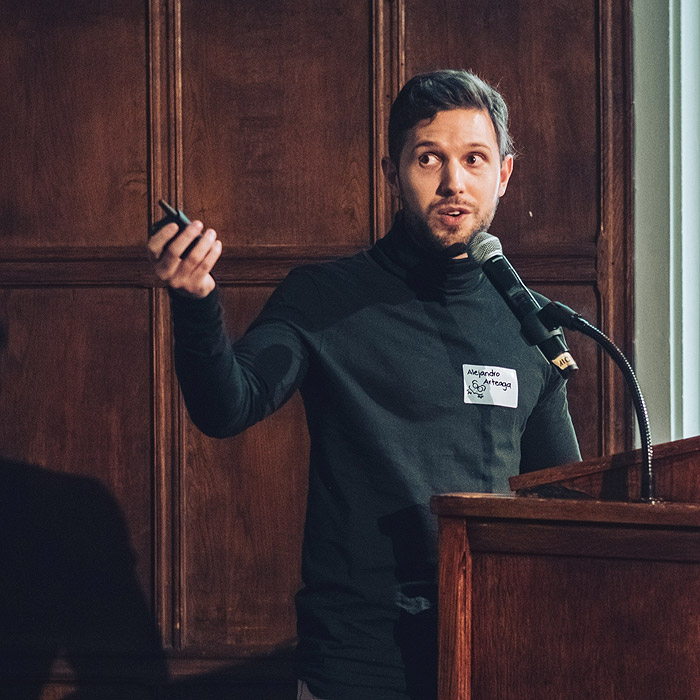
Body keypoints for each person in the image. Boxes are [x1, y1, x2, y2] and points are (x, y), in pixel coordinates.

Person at [147, 69, 581, 700]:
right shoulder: (324, 298)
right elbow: (227, 405)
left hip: (486, 648)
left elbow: (560, 498)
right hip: (356, 655)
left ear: (504, 175)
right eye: (429, 158)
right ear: (391, 171)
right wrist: (196, 302)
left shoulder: (527, 325)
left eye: (474, 159)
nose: (453, 182)